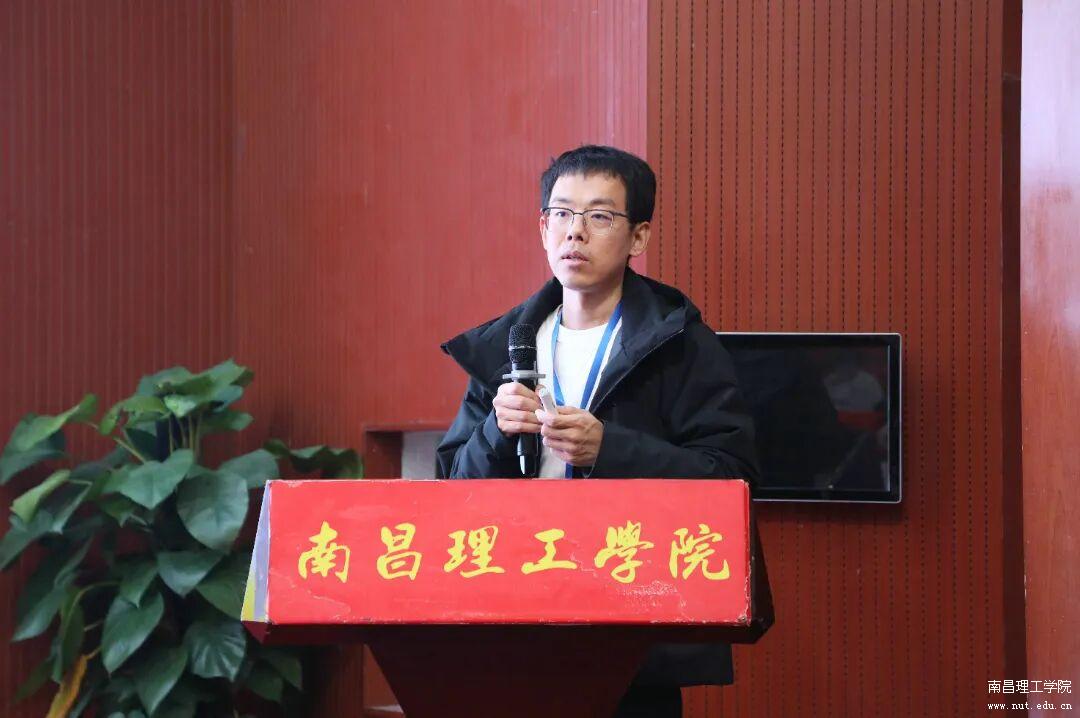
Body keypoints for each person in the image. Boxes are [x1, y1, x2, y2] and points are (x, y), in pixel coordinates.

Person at [435, 145, 762, 717]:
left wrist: (610, 449)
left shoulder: (678, 344)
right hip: (515, 616)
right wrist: (494, 432)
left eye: (600, 216)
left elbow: (731, 478)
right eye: (562, 213)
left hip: (630, 617)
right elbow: (450, 491)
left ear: (639, 237)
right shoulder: (507, 347)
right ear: (543, 229)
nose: (576, 232)